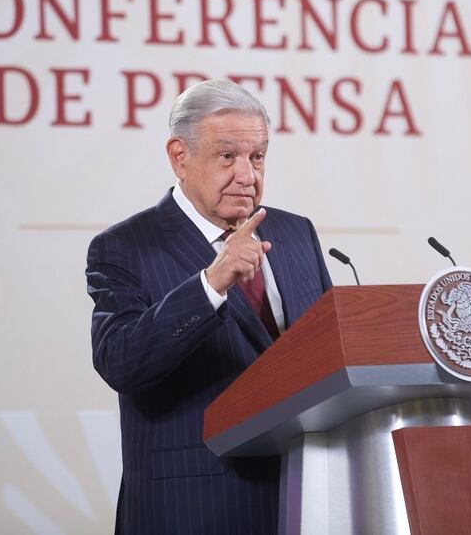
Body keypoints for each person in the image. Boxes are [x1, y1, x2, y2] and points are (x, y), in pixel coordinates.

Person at [86, 79, 332, 534]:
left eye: (257, 157)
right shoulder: (126, 247)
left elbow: (326, 356)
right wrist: (211, 284)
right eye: (227, 156)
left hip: (304, 500)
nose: (247, 175)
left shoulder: (296, 234)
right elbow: (120, 362)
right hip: (192, 507)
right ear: (180, 156)